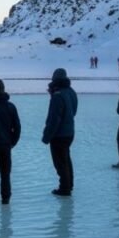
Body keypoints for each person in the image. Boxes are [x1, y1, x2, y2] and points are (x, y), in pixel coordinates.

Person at [42, 68, 78, 196]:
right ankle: (69, 184)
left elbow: (54, 119)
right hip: (69, 132)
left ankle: (65, 187)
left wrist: (47, 136)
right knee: (66, 158)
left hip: (59, 135)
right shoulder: (71, 92)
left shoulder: (58, 95)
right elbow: (73, 111)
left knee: (60, 162)